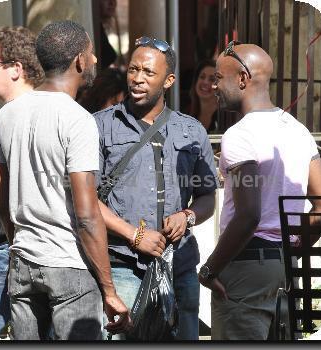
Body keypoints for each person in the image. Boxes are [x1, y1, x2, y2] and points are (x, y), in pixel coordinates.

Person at [0, 20, 130, 340]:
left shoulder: (8, 113)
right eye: (92, 54)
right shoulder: (77, 119)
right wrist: (109, 290)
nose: (95, 60)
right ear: (79, 61)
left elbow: (2, 200)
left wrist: (18, 245)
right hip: (69, 268)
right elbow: (86, 214)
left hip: (23, 263)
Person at [198, 41, 321, 340]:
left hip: (245, 267)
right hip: (284, 268)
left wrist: (209, 270)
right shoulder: (298, 130)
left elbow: (248, 215)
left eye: (219, 77)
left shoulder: (239, 135)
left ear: (242, 78)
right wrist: (291, 248)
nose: (214, 85)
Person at [94, 36, 218, 340]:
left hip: (180, 268)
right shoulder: (99, 125)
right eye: (133, 70)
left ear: (169, 80)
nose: (137, 79)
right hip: (122, 266)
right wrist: (134, 235)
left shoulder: (191, 130)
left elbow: (207, 196)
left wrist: (187, 216)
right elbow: (85, 200)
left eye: (148, 73)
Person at [0, 26, 44, 337]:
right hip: (4, 251)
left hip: (20, 252)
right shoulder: (8, 116)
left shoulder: (32, 116)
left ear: (16, 69)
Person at [189, 59, 220, 134]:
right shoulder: (186, 115)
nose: (205, 82)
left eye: (212, 79)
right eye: (202, 77)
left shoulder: (222, 119)